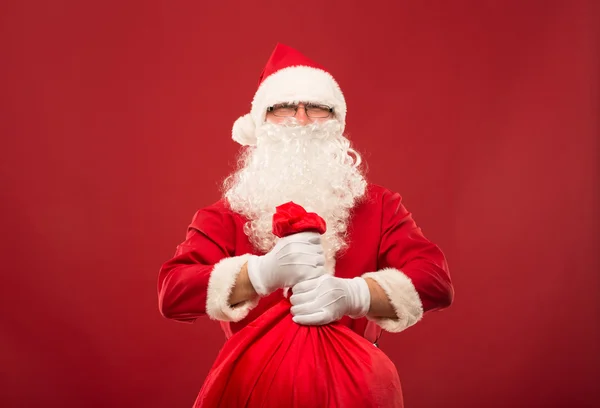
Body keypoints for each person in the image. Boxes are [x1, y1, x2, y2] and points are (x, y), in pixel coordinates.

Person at [157, 43, 454, 350]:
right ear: (260, 124)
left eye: (316, 107)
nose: (300, 120)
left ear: (336, 123)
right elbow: (173, 293)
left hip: (353, 389)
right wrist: (258, 275)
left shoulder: (380, 206)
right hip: (255, 387)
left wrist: (357, 295)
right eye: (283, 107)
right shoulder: (226, 214)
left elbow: (435, 282)